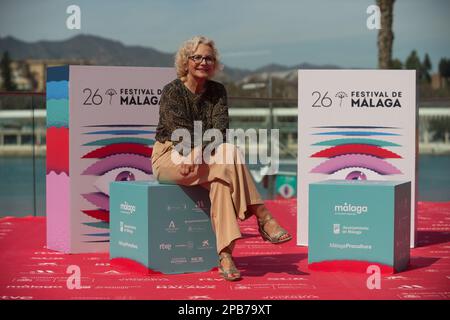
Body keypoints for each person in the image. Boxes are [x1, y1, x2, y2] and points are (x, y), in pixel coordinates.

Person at [151, 36, 292, 281]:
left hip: (203, 158)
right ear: (186, 61)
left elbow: (221, 129)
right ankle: (263, 217)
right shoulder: (172, 91)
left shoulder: (218, 91)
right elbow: (178, 132)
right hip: (170, 157)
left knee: (223, 176)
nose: (203, 62)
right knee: (228, 155)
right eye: (197, 57)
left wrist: (199, 150)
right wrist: (196, 149)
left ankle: (225, 255)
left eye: (209, 58)